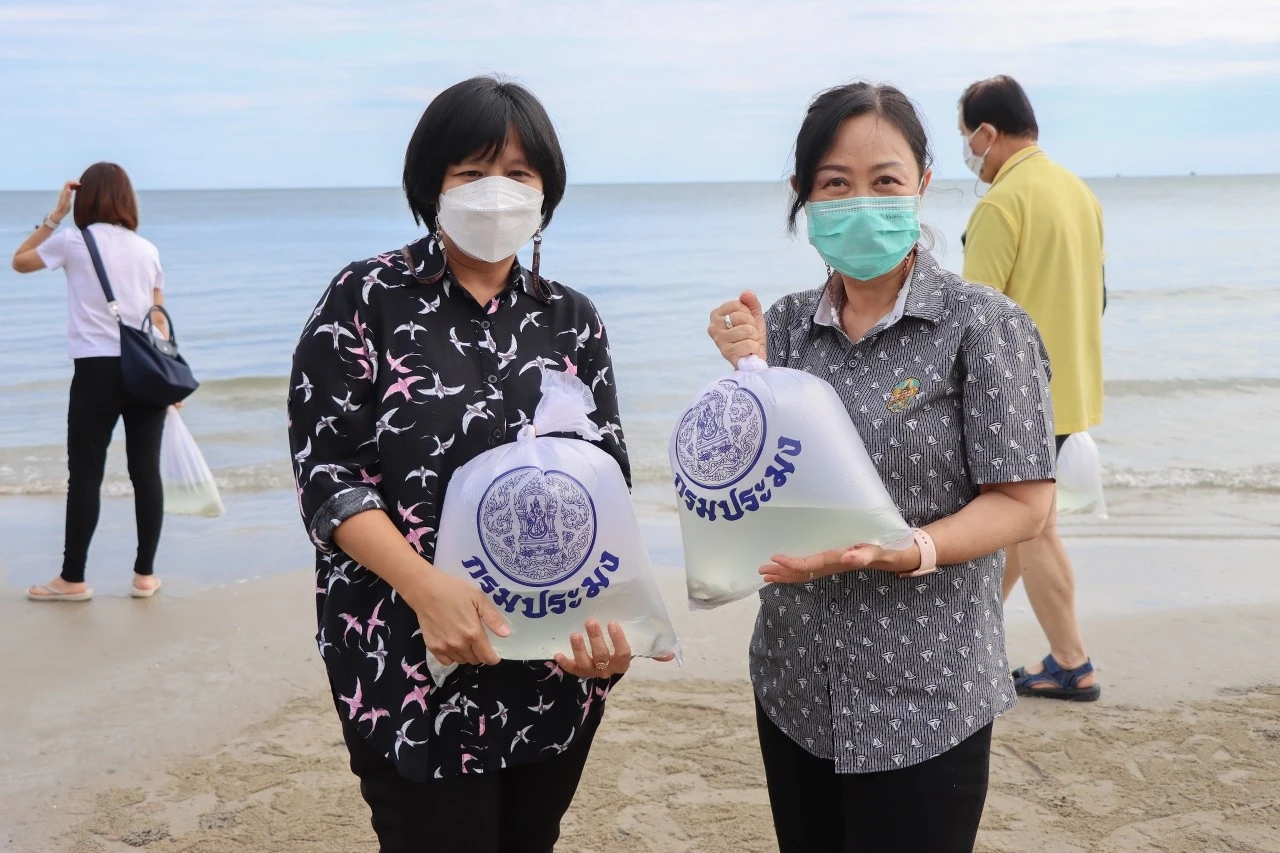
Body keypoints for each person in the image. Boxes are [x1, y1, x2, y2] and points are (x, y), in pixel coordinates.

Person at [287, 76, 666, 853]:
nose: (496, 192)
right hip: (403, 655)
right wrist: (428, 591)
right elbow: (328, 475)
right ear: (432, 185)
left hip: (553, 665)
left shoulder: (572, 319)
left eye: (519, 174)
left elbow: (605, 480)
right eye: (471, 172)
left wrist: (616, 621)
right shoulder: (365, 298)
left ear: (547, 190)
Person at [706, 82, 1057, 853]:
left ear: (923, 186)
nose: (861, 201)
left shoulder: (984, 325)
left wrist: (916, 548)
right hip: (798, 684)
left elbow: (1025, 502)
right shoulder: (788, 326)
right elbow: (754, 483)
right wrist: (743, 373)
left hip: (927, 695)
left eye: (886, 180)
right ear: (803, 195)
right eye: (836, 183)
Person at [959, 75, 1104, 702]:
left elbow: (973, 320)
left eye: (968, 139)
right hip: (1072, 389)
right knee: (1021, 522)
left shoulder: (1001, 204)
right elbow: (1096, 298)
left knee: (1032, 523)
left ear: (988, 133)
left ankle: (1072, 663)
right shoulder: (1079, 193)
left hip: (1019, 397)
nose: (969, 152)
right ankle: (968, 634)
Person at [10, 163, 168, 602]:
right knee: (145, 473)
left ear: (85, 197)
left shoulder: (72, 241)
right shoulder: (148, 249)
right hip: (145, 369)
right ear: (126, 198)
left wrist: (54, 216)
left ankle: (73, 579)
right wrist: (167, 378)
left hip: (96, 372)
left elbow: (19, 262)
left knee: (85, 475)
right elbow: (159, 320)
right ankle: (144, 577)